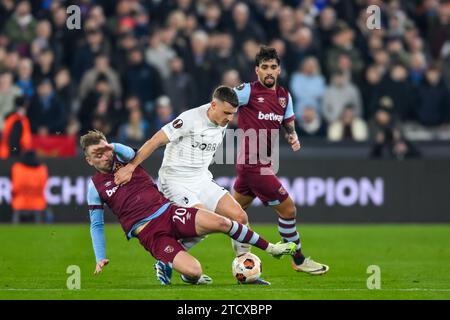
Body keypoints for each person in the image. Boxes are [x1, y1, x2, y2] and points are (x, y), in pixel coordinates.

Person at [81, 130, 295, 285]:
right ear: (89, 160)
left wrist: (110, 146)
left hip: (169, 212)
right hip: (150, 233)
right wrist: (100, 257)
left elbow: (126, 150)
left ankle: (272, 249)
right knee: (195, 271)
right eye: (97, 154)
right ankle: (176, 268)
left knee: (221, 221)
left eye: (106, 150)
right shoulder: (94, 187)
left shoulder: (127, 160)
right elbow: (96, 225)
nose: (105, 156)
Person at [114, 86, 273, 284]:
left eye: (233, 114)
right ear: (213, 105)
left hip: (201, 178)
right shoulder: (189, 119)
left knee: (239, 216)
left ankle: (245, 270)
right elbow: (155, 140)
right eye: (226, 113)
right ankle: (168, 259)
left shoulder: (222, 115)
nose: (229, 119)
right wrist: (130, 167)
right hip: (175, 180)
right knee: (206, 221)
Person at [231, 46, 329, 275]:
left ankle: (176, 251)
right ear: (257, 70)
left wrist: (292, 135)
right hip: (254, 165)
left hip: (253, 166)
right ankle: (299, 259)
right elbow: (223, 98)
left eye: (273, 67)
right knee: (288, 210)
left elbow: (287, 120)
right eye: (264, 67)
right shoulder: (247, 91)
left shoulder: (284, 96)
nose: (269, 72)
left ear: (279, 70)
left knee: (231, 214)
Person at [11, 150, 48, 224]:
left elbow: (15, 188)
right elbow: (43, 187)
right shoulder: (42, 169)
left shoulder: (17, 168)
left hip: (20, 203)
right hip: (37, 204)